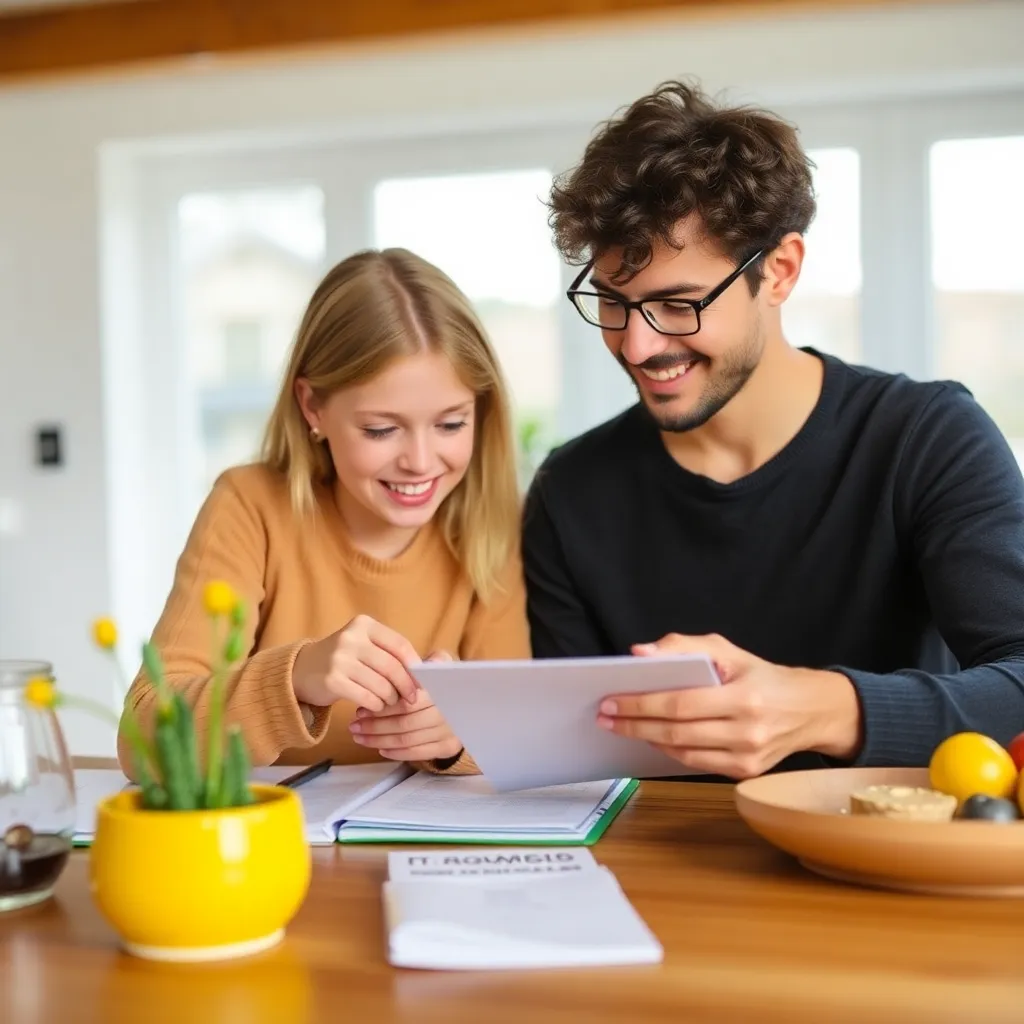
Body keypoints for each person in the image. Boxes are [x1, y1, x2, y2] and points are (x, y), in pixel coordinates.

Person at [523, 80, 1024, 780]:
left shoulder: (928, 440)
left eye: (677, 304)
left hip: (890, 863)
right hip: (655, 873)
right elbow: (569, 761)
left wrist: (823, 708)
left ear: (780, 271)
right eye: (613, 302)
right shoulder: (570, 491)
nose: (636, 346)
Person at [118, 248, 527, 778]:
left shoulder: (490, 523)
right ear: (313, 407)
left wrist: (457, 735)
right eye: (381, 429)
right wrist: (295, 678)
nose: (421, 462)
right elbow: (145, 741)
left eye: (451, 424)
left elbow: (518, 735)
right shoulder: (250, 505)